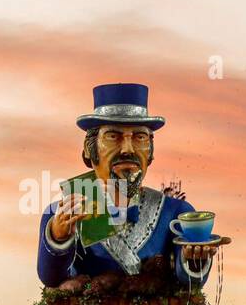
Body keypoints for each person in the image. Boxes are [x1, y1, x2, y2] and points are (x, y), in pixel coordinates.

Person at [37, 83, 217, 289]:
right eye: (113, 136)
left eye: (139, 137)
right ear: (89, 149)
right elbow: (51, 278)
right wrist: (59, 236)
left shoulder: (176, 212)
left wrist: (196, 258)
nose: (127, 149)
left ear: (150, 150)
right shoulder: (62, 213)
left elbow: (190, 283)